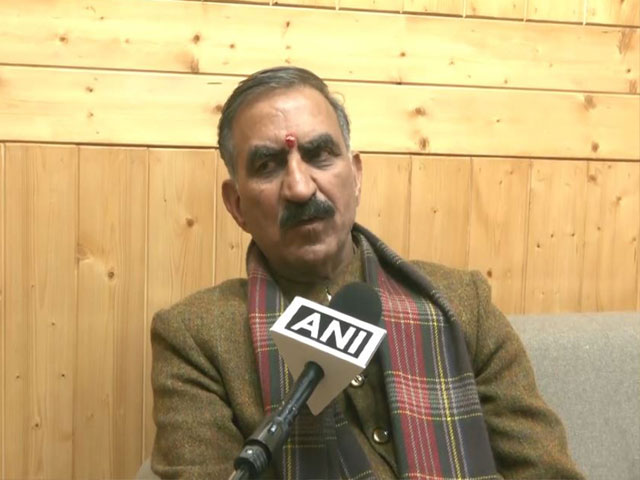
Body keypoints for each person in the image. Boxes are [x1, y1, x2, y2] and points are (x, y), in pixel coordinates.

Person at [150, 66, 584, 479]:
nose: (300, 187)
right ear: (237, 205)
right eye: (268, 166)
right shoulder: (197, 338)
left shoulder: (462, 302)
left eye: (320, 156)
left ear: (356, 176)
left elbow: (546, 471)